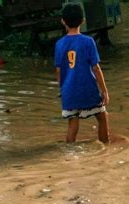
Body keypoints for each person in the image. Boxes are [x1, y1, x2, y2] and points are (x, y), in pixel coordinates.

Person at [54, 3, 110, 143]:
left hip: (69, 92)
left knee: (73, 123)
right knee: (102, 117)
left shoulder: (59, 44)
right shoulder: (88, 41)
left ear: (63, 21)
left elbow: (59, 71)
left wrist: (62, 90)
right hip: (87, 89)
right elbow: (96, 68)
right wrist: (104, 91)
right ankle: (107, 147)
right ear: (83, 20)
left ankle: (70, 152)